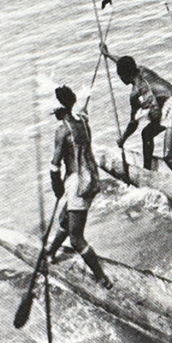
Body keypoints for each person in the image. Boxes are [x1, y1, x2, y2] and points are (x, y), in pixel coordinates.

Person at [45, 86, 112, 289]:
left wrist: (57, 186)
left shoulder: (62, 131)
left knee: (76, 238)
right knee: (65, 219)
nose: (55, 115)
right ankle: (50, 252)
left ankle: (101, 278)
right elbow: (82, 120)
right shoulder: (83, 122)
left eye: (55, 111)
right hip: (91, 178)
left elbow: (55, 165)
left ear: (60, 110)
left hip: (77, 184)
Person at [101, 46, 172, 181]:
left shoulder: (135, 93)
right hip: (171, 103)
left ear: (124, 75)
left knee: (168, 157)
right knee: (147, 133)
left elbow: (133, 123)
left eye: (119, 75)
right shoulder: (143, 70)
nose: (120, 78)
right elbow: (123, 62)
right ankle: (147, 169)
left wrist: (123, 139)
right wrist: (108, 54)